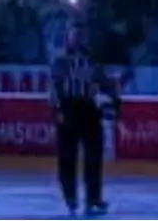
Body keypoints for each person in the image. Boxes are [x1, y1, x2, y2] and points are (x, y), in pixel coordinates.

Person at [49, 25, 117, 216]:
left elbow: (105, 83)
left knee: (94, 156)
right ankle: (70, 196)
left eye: (81, 36)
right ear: (68, 39)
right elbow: (55, 86)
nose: (78, 40)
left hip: (89, 108)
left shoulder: (92, 61)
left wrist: (111, 101)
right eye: (74, 36)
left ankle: (93, 197)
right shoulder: (61, 61)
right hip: (69, 108)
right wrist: (58, 109)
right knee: (67, 157)